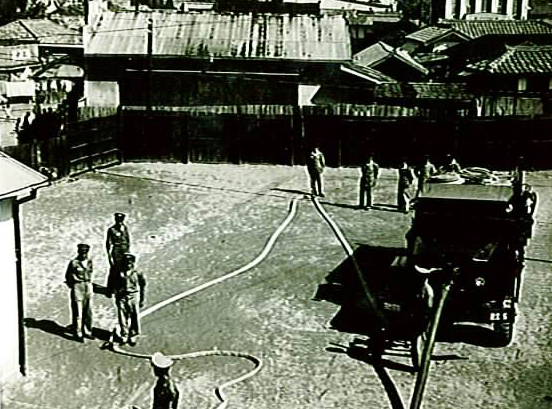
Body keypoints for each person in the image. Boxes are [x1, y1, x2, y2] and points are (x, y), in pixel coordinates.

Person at [114, 253, 146, 346]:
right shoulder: (118, 272)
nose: (128, 265)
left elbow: (143, 286)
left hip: (133, 295)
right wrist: (116, 293)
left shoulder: (138, 272)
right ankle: (124, 334)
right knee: (122, 316)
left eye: (129, 263)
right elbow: (114, 283)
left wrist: (142, 299)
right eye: (126, 263)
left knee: (134, 315)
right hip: (121, 296)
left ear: (132, 263)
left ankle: (133, 334)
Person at [65, 243, 94, 342]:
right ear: (78, 252)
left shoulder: (90, 261)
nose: (84, 254)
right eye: (82, 252)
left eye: (85, 252)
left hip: (88, 285)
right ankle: (78, 332)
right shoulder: (74, 263)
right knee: (78, 311)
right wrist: (74, 285)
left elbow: (90, 272)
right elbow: (68, 276)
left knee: (88, 310)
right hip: (77, 286)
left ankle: (87, 331)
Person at [106, 212, 131, 296]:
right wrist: (109, 255)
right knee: (115, 268)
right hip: (116, 250)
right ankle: (111, 288)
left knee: (124, 269)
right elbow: (108, 243)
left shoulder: (125, 228)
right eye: (118, 220)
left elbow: (127, 239)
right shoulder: (112, 229)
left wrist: (128, 250)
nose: (119, 222)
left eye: (121, 220)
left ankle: (122, 287)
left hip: (124, 249)